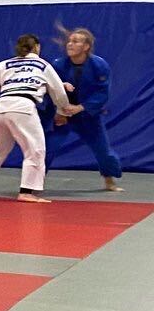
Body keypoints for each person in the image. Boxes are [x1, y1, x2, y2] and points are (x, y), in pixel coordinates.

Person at [0, 33, 78, 202]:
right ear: (36, 47)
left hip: (0, 108)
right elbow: (58, 90)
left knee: (1, 147)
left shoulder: (6, 64)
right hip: (23, 108)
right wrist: (63, 111)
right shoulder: (41, 64)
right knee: (35, 150)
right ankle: (26, 192)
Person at [51, 27, 125, 192]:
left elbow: (102, 92)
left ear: (86, 47)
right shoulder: (58, 65)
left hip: (88, 116)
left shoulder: (99, 65)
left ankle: (109, 181)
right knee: (46, 148)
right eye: (69, 41)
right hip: (63, 114)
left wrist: (81, 108)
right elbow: (51, 90)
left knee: (103, 152)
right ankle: (31, 185)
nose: (70, 44)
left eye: (75, 41)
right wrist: (59, 112)